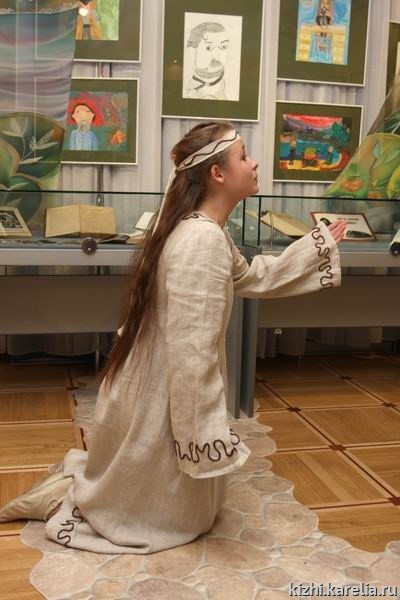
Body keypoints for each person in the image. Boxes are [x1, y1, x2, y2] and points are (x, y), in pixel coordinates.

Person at [0, 121, 346, 554]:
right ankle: (75, 502)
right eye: (243, 156)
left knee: (187, 503)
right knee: (177, 518)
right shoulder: (201, 240)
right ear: (217, 174)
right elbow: (192, 352)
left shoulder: (205, 230)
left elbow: (252, 276)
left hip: (158, 380)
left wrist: (315, 247)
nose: (254, 163)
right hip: (165, 386)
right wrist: (203, 433)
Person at [184, 22, 231, 101]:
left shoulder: (231, 89)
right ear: (192, 51)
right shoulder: (186, 94)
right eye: (208, 48)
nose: (217, 55)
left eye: (223, 46)